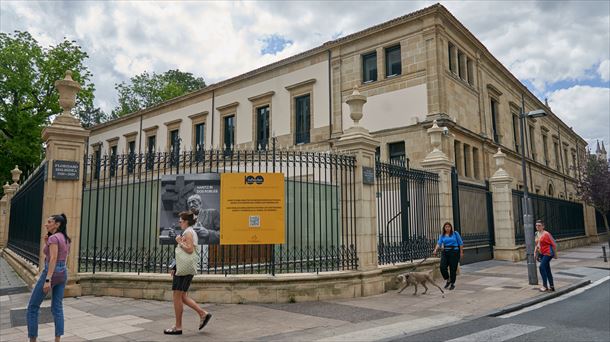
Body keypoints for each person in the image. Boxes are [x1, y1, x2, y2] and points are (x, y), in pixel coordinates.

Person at [164, 211, 212, 335]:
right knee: (182, 296)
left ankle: (178, 327)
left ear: (186, 221)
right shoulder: (189, 232)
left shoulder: (189, 232)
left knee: (177, 296)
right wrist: (174, 266)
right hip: (184, 268)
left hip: (184, 270)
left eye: (180, 221)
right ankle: (203, 314)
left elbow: (189, 250)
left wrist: (179, 241)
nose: (179, 222)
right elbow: (181, 253)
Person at [27, 214, 71, 342]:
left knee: (32, 307)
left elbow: (53, 259)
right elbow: (64, 257)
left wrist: (48, 279)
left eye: (49, 222)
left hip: (51, 273)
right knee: (57, 307)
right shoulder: (65, 238)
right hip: (63, 273)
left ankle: (32, 340)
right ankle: (57, 339)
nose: (46, 224)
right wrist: (47, 243)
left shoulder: (54, 238)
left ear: (57, 224)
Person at [432, 222, 464, 290]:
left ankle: (452, 283)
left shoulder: (455, 233)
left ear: (451, 227)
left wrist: (461, 253)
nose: (447, 228)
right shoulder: (442, 235)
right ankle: (448, 279)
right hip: (445, 252)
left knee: (453, 268)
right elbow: (439, 243)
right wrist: (435, 250)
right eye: (446, 227)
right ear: (444, 228)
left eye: (448, 227)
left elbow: (460, 243)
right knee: (442, 267)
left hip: (454, 252)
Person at [535, 220, 557, 292]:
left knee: (541, 267)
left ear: (543, 226)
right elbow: (537, 244)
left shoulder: (546, 234)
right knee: (547, 269)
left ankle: (545, 286)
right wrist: (535, 253)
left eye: (539, 225)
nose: (537, 227)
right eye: (536, 225)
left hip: (548, 253)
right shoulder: (536, 233)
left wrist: (555, 254)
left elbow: (554, 244)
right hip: (542, 253)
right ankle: (552, 286)